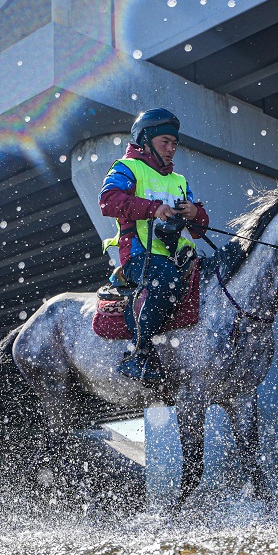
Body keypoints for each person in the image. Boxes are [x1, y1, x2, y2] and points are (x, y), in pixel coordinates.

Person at [99, 108, 209, 383]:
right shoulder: (127, 167)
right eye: (165, 142)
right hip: (139, 256)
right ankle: (137, 354)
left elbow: (199, 230)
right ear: (145, 141)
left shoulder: (179, 181)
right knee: (167, 280)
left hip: (181, 257)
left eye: (174, 143)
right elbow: (108, 200)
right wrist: (152, 208)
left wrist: (195, 214)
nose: (172, 149)